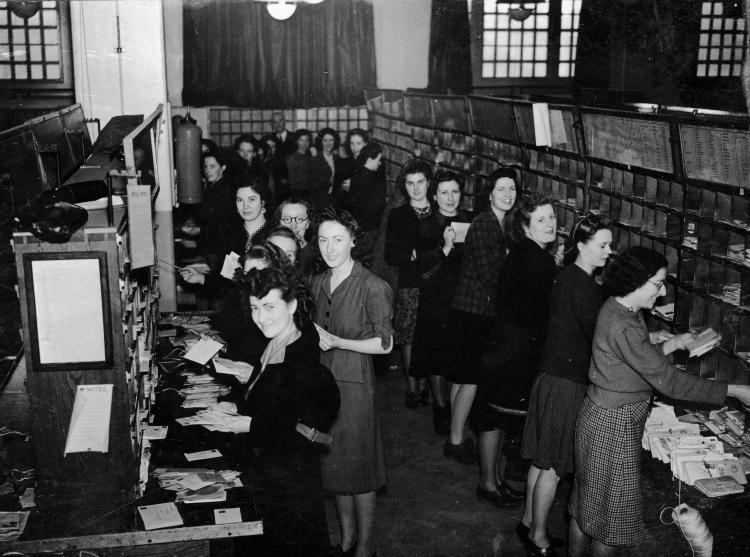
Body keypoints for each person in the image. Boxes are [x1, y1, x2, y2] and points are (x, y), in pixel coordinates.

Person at [567, 246, 750, 557]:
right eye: (657, 284)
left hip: (601, 418)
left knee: (586, 508)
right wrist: (734, 389)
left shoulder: (618, 308)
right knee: (610, 525)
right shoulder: (623, 323)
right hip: (614, 426)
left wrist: (674, 344)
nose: (663, 292)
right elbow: (671, 381)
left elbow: (631, 361)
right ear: (636, 281)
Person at [211, 264, 341, 557]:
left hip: (289, 485)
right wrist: (236, 404)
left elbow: (296, 428)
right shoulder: (276, 342)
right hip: (272, 475)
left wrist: (248, 425)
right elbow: (272, 402)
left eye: (269, 307)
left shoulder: (300, 357)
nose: (260, 318)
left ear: (292, 304)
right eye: (255, 308)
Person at [518, 214, 612, 556]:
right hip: (567, 387)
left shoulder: (565, 275)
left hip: (548, 378)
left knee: (541, 461)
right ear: (582, 246)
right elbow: (598, 339)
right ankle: (539, 536)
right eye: (602, 245)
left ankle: (528, 521)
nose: (608, 251)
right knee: (555, 468)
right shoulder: (586, 286)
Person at [310, 206, 394, 557]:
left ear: (353, 242)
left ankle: (365, 545)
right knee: (334, 464)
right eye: (323, 240)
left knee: (359, 466)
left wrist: (338, 341)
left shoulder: (373, 287)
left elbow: (385, 344)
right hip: (323, 379)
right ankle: (345, 539)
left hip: (355, 382)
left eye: (338, 240)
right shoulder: (317, 281)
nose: (330, 248)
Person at [476, 193, 559, 510]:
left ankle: (491, 481)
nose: (550, 224)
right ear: (525, 226)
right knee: (494, 417)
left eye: (552, 217)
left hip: (504, 345)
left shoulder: (527, 254)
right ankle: (488, 484)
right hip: (514, 352)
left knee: (492, 416)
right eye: (541, 219)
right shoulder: (537, 259)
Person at [445, 167, 517, 465]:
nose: (507, 194)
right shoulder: (486, 225)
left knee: (463, 378)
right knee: (471, 379)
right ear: (490, 194)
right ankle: (457, 439)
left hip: (468, 309)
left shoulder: (499, 223)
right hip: (474, 312)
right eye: (501, 189)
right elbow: (491, 276)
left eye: (512, 189)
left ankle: (456, 433)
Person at [411, 170, 471, 433]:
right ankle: (440, 409)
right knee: (436, 356)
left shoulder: (468, 222)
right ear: (434, 196)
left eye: (455, 192)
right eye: (444, 192)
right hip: (435, 299)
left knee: (456, 355)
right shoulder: (426, 226)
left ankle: (452, 408)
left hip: (461, 298)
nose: (450, 198)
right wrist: (445, 248)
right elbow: (424, 272)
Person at [385, 159, 433, 408]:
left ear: (428, 183)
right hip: (411, 282)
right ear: (404, 185)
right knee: (409, 336)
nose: (416, 189)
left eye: (421, 182)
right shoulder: (398, 214)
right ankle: (414, 387)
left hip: (436, 284)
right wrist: (410, 254)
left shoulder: (438, 210)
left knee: (431, 335)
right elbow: (390, 254)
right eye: (410, 183)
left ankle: (427, 385)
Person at [341, 142, 386, 268]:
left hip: (359, 228)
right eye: (378, 159)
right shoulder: (371, 180)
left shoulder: (357, 176)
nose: (380, 163)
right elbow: (375, 206)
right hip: (369, 229)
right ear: (370, 158)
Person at [197, 151, 234, 271]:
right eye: (205, 166)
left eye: (212, 166)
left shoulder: (225, 190)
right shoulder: (212, 188)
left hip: (219, 248)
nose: (208, 170)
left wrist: (199, 229)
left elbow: (222, 222)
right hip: (213, 246)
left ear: (223, 167)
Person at [274, 197, 323, 280]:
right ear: (279, 222)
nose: (293, 226)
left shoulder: (318, 258)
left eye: (299, 219)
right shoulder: (271, 253)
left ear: (308, 223)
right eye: (287, 219)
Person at [310, 127, 340, 210]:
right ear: (321, 142)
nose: (328, 143)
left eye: (331, 140)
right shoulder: (316, 160)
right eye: (325, 140)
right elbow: (314, 184)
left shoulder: (337, 159)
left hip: (335, 201)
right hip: (320, 201)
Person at [286, 129, 314, 202]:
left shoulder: (311, 156)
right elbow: (291, 180)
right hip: (297, 193)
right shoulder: (292, 158)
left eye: (307, 140)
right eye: (301, 140)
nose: (304, 143)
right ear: (297, 141)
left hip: (311, 192)